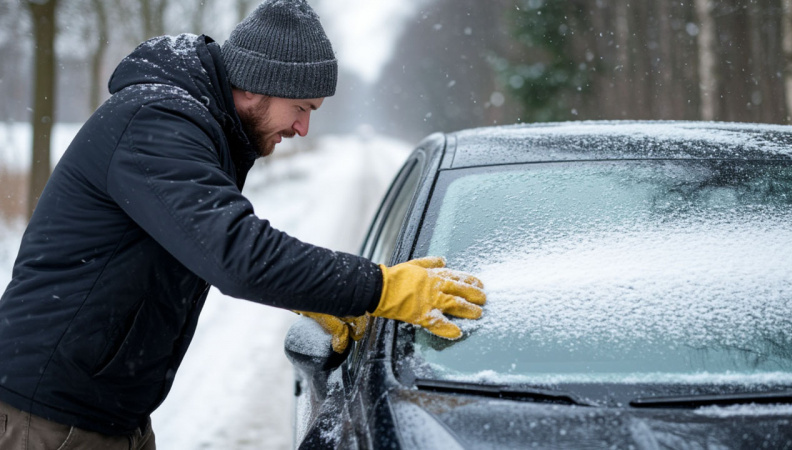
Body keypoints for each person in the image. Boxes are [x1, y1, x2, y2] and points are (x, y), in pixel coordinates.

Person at [0, 0, 486, 448]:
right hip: (46, 420)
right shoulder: (155, 122)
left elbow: (210, 243)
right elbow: (235, 253)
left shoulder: (199, 127)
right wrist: (380, 288)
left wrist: (316, 293)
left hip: (105, 417)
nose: (303, 128)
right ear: (253, 84)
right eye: (301, 107)